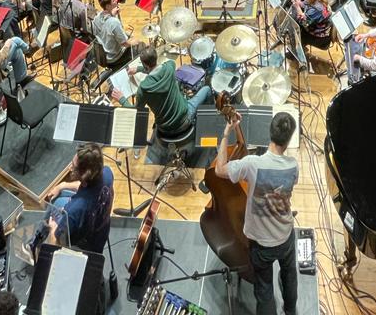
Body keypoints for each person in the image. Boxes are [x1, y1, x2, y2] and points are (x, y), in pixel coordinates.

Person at [215, 111, 299, 315]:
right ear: (289, 139)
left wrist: (227, 133)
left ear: (269, 132)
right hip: (285, 236)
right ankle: (290, 309)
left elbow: (219, 170)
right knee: (289, 275)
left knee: (264, 288)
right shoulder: (293, 166)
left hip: (261, 244)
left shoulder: (252, 163)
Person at [26, 143, 113, 260]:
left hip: (83, 242)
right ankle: (38, 235)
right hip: (101, 230)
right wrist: (62, 185)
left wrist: (53, 228)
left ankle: (35, 243)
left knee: (54, 203)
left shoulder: (73, 210)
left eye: (73, 167)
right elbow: (95, 190)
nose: (69, 168)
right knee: (61, 193)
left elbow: (56, 245)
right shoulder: (107, 173)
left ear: (84, 176)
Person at [112, 45, 212, 137]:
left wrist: (122, 99)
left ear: (145, 65)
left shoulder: (143, 88)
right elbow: (158, 67)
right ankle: (209, 123)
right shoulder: (170, 66)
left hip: (164, 128)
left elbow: (136, 112)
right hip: (184, 119)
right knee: (206, 89)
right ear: (156, 57)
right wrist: (140, 69)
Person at [92, 0, 133, 66]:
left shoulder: (96, 18)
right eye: (114, 0)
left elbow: (106, 27)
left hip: (104, 56)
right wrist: (136, 42)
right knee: (139, 46)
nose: (117, 0)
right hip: (115, 58)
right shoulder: (114, 22)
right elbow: (125, 44)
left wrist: (111, 15)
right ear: (107, 6)